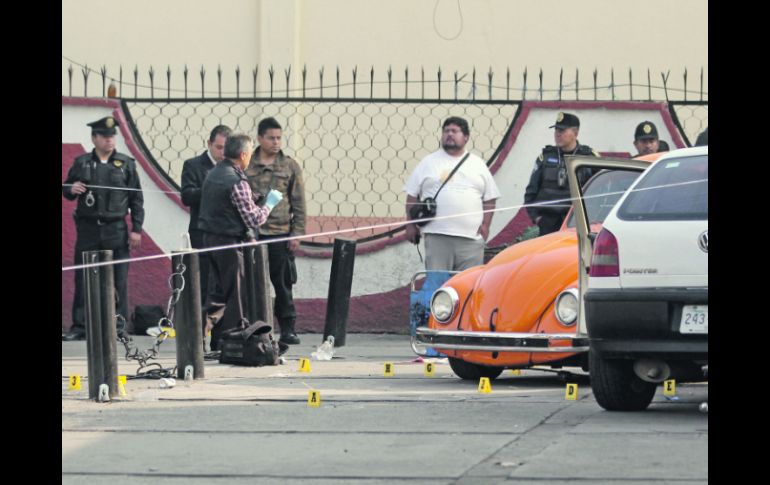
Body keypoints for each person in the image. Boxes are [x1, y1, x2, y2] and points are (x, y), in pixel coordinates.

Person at [62, 116, 144, 341]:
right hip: (88, 229)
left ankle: (118, 326)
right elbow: (66, 189)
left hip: (116, 228)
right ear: (94, 138)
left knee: (119, 279)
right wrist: (71, 188)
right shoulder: (82, 162)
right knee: (83, 277)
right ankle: (80, 326)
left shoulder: (126, 164)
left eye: (112, 136)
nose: (110, 140)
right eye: (105, 136)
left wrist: (136, 229)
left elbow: (136, 199)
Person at [198, 133, 283, 351]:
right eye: (250, 152)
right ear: (243, 155)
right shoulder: (237, 181)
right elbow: (254, 219)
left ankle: (198, 338)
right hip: (229, 242)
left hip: (210, 239)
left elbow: (223, 204)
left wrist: (253, 199)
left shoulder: (214, 173)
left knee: (217, 295)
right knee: (235, 296)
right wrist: (269, 204)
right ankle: (233, 344)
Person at [404, 116, 500, 271]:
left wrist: (486, 226)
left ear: (466, 137)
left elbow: (490, 198)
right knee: (438, 282)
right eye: (446, 131)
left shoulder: (478, 164)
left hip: (471, 239)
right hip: (437, 236)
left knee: (468, 283)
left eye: (455, 131)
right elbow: (411, 195)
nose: (449, 134)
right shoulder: (428, 162)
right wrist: (410, 225)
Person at [245, 117, 306, 345]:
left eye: (279, 138)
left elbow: (298, 202)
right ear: (260, 138)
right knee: (252, 285)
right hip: (253, 234)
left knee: (283, 284)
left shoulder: (289, 166)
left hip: (280, 233)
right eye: (271, 138)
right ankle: (254, 327)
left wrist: (297, 233)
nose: (276, 142)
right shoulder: (247, 164)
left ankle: (288, 328)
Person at [180, 124, 231, 336]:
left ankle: (220, 337)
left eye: (226, 148)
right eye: (219, 147)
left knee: (223, 286)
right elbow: (187, 196)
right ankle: (198, 336)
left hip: (225, 234)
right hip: (201, 233)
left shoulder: (232, 168)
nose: (223, 153)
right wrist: (211, 189)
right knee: (202, 285)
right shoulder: (193, 165)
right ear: (209, 144)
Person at [523, 112, 599, 236]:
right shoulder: (545, 157)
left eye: (562, 130)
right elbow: (531, 192)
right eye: (556, 130)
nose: (557, 134)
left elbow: (603, 190)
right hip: (548, 224)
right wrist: (537, 218)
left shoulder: (589, 157)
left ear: (575, 133)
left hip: (578, 223)